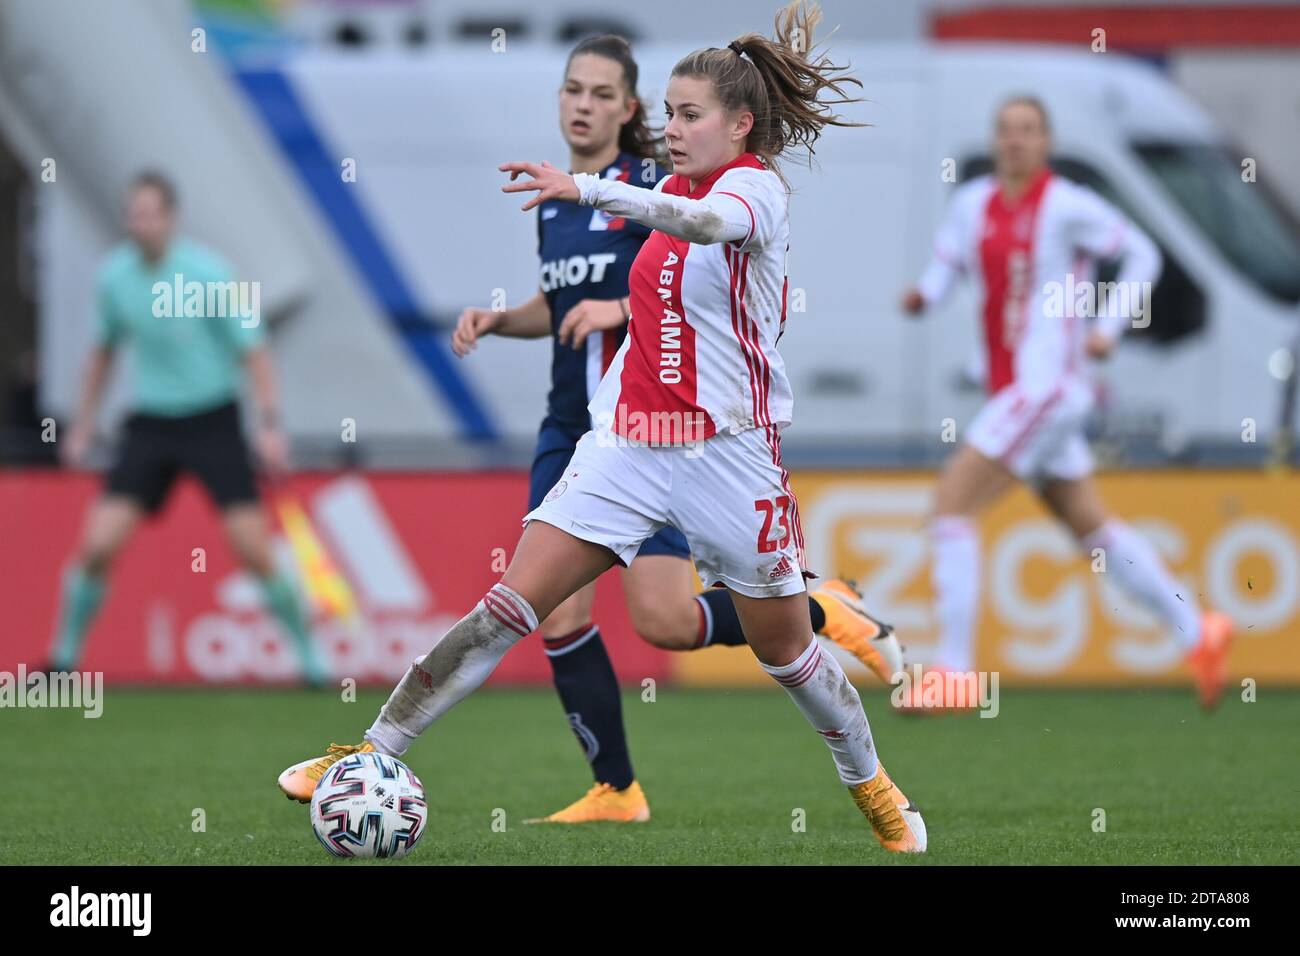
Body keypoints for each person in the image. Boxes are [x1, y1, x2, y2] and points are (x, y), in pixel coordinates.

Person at [281, 1, 927, 853]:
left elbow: (702, 225)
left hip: (731, 454)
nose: (673, 126)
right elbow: (639, 249)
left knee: (790, 658)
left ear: (739, 124)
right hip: (626, 445)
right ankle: (368, 752)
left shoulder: (755, 191)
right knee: (507, 608)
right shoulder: (661, 185)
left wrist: (584, 184)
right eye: (668, 111)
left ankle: (872, 785)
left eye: (690, 114)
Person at [449, 34, 901, 824]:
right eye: (571, 89)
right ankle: (616, 788)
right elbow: (560, 303)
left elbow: (689, 264)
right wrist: (501, 320)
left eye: (600, 93)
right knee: (556, 611)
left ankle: (817, 610)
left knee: (663, 621)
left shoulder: (658, 186)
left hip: (669, 433)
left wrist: (617, 305)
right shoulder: (557, 204)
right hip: (576, 424)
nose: (581, 104)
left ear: (629, 111)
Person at [899, 97, 1233, 711]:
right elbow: (947, 263)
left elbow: (1143, 254)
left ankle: (955, 670)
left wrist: (1109, 325)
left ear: (1046, 142)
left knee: (951, 507)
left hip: (1047, 388)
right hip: (1017, 389)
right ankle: (1198, 629)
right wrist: (924, 295)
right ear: (995, 140)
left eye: (1028, 131)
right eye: (1006, 131)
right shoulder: (973, 203)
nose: (1016, 141)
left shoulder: (1067, 205)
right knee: (1091, 526)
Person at [46, 171, 326, 685]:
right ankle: (62, 660)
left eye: (151, 214)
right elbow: (102, 354)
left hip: (213, 420)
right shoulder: (114, 277)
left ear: (171, 218)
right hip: (150, 425)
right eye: (134, 214)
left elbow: (255, 353)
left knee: (252, 548)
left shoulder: (210, 273)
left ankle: (311, 660)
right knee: (99, 545)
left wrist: (268, 425)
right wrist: (83, 425)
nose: (142, 224)